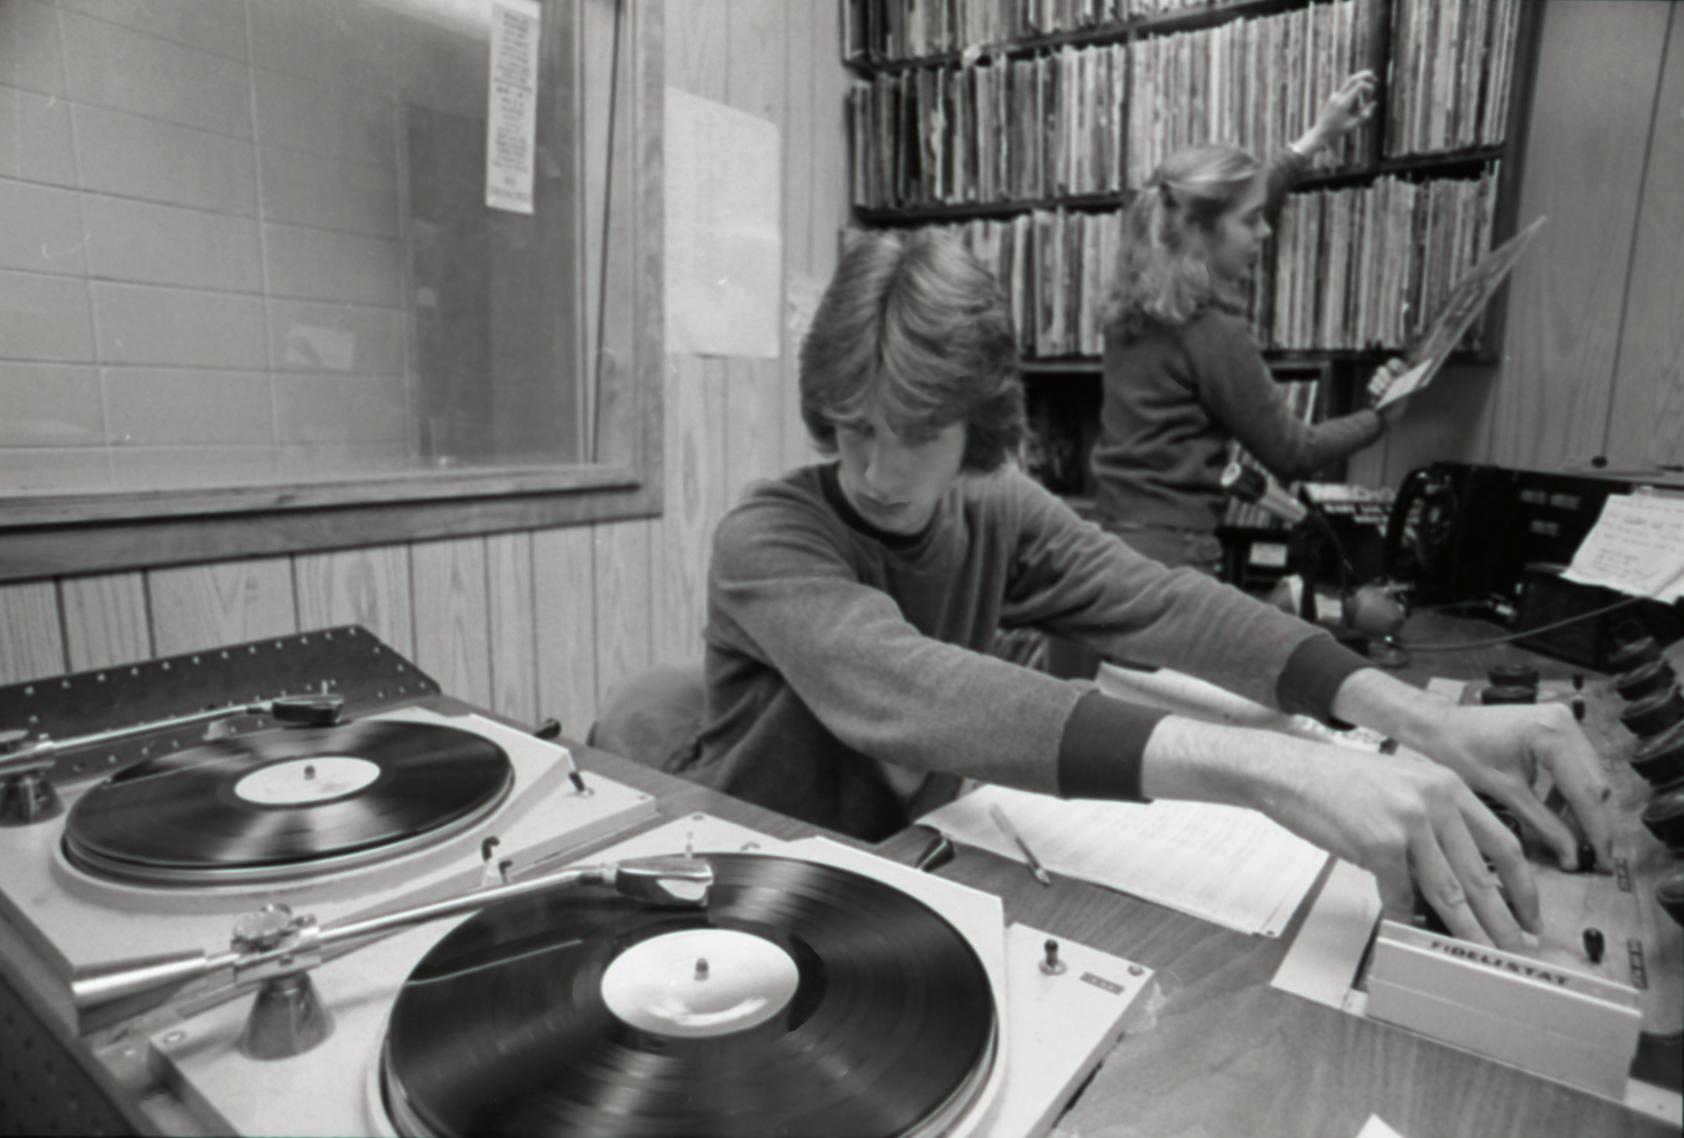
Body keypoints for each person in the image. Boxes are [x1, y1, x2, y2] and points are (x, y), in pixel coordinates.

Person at [669, 227, 1613, 953]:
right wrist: (1270, 767)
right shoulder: (768, 537)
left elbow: (1166, 602)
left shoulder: (995, 506)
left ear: (977, 421)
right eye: (853, 428)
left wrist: (1421, 719)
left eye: (915, 432)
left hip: (915, 867)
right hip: (751, 883)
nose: (875, 468)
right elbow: (910, 691)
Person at [1093, 71, 1406, 574]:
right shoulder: (1210, 331)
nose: (1264, 231)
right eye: (1251, 221)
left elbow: (1226, 207)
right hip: (1176, 563)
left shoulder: (1134, 300)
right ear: (1198, 230)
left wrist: (1314, 141)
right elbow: (1293, 452)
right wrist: (1382, 418)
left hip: (1114, 545)